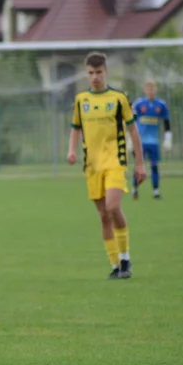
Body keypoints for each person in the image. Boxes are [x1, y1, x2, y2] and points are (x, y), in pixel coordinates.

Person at [66, 52, 146, 280]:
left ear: (106, 72)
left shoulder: (119, 98)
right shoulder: (82, 100)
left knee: (112, 207)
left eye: (98, 72)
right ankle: (115, 265)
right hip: (92, 165)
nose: (95, 77)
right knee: (103, 215)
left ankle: (125, 258)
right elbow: (75, 128)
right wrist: (71, 150)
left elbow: (132, 130)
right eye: (90, 73)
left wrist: (140, 164)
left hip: (115, 162)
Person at [131, 79, 172, 200]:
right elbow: (131, 122)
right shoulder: (139, 104)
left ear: (156, 90)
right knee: (139, 166)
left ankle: (156, 191)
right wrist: (130, 140)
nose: (150, 91)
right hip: (140, 142)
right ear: (145, 90)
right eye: (148, 89)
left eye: (152, 89)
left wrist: (168, 139)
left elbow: (166, 122)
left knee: (154, 166)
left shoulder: (161, 105)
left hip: (153, 142)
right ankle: (135, 189)